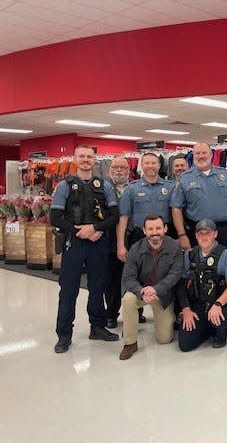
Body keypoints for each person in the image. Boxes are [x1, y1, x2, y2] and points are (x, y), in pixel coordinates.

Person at [50, 144, 120, 353]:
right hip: (75, 242)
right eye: (82, 156)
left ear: (95, 160)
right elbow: (55, 217)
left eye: (89, 157)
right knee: (68, 290)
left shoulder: (105, 186)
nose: (86, 160)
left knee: (98, 288)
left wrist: (95, 228)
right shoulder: (64, 186)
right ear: (75, 158)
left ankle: (97, 327)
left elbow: (114, 216)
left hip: (99, 242)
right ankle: (64, 334)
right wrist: (80, 230)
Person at [118, 215, 183, 360]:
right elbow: (128, 278)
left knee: (165, 339)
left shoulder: (175, 246)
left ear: (165, 229)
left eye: (158, 228)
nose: (155, 232)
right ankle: (130, 343)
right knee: (128, 299)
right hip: (142, 292)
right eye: (151, 229)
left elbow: (175, 274)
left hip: (163, 295)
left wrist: (156, 289)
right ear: (144, 231)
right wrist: (141, 291)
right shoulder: (135, 249)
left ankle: (164, 321)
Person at [170, 141, 227, 257]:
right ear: (193, 156)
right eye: (197, 153)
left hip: (226, 230)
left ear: (211, 155)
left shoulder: (224, 174)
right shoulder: (184, 179)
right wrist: (182, 235)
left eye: (204, 153)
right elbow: (176, 208)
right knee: (201, 268)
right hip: (199, 232)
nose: (201, 156)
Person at [176, 219, 227, 351]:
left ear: (215, 234)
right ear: (196, 236)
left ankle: (220, 333)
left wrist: (218, 304)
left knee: (219, 320)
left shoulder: (226, 255)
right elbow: (180, 285)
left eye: (208, 233)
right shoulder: (190, 255)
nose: (204, 237)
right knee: (185, 344)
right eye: (201, 234)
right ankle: (206, 327)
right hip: (199, 304)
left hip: (220, 303)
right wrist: (186, 309)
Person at [117, 152, 174, 261]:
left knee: (165, 269)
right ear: (142, 166)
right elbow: (123, 218)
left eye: (153, 163)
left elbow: (176, 212)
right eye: (147, 163)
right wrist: (120, 245)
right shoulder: (131, 189)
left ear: (159, 165)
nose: (150, 166)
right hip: (139, 237)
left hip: (165, 236)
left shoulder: (170, 187)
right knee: (140, 271)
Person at [105, 156, 130, 328]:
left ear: (129, 171)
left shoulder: (134, 188)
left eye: (123, 167)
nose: (119, 170)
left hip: (132, 237)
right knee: (112, 278)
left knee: (134, 275)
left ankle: (136, 311)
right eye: (115, 167)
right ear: (109, 170)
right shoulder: (102, 188)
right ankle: (111, 314)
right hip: (108, 238)